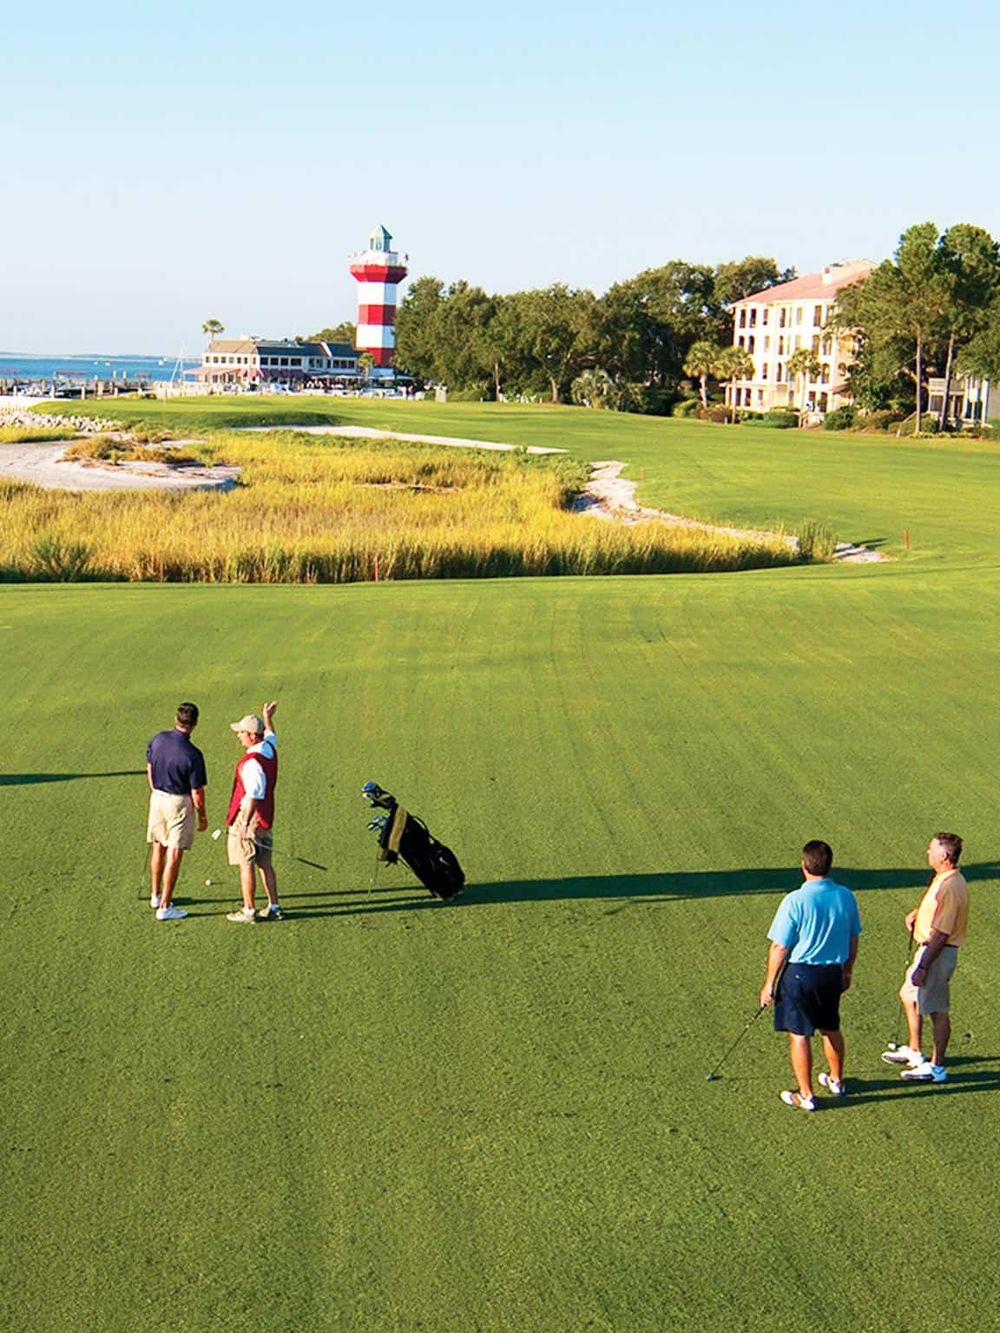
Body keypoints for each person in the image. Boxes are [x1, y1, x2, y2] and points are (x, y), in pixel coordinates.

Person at [760, 840, 862, 1111]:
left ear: (804, 866)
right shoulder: (846, 896)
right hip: (832, 974)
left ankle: (806, 1094)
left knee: (799, 1034)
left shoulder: (794, 900)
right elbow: (853, 938)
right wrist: (848, 970)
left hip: (800, 975)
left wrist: (769, 984)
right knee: (830, 1027)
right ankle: (836, 1080)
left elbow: (780, 947)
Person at [882, 832, 968, 1084]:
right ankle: (915, 1050)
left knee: (937, 1009)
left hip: (937, 953)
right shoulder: (944, 879)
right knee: (909, 995)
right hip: (930, 949)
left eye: (932, 849)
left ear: (944, 856)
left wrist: (923, 966)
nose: (927, 852)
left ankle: (937, 1067)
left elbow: (942, 933)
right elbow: (936, 910)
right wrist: (918, 915)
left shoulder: (950, 886)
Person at [146, 702, 208, 922]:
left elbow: (150, 768)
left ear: (176, 719)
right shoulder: (193, 754)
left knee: (158, 847)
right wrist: (202, 816)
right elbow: (197, 792)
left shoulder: (158, 739)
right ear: (194, 724)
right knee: (174, 852)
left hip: (157, 798)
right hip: (179, 803)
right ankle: (165, 907)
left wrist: (155, 790)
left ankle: (155, 895)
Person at [225, 701, 282, 924]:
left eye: (241, 732)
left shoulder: (251, 763)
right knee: (265, 864)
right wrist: (267, 718)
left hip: (251, 817)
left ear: (251, 735)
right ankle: (274, 906)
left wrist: (244, 824)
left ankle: (249, 910)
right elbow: (271, 734)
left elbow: (253, 796)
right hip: (266, 817)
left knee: (246, 862)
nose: (238, 736)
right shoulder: (268, 748)